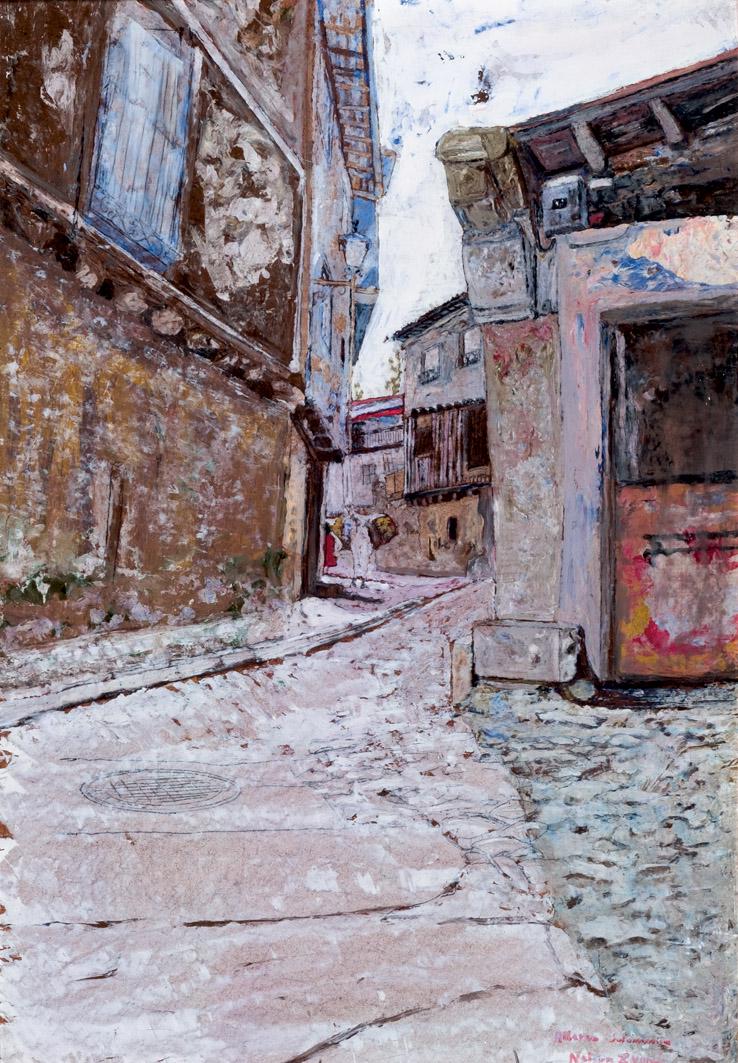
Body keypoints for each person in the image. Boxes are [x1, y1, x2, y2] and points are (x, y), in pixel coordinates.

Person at [350, 510, 374, 588]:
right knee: (362, 561)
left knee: (358, 561)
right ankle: (361, 581)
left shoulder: (355, 525)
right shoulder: (364, 526)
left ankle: (355, 580)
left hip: (359, 543)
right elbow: (368, 538)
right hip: (363, 544)